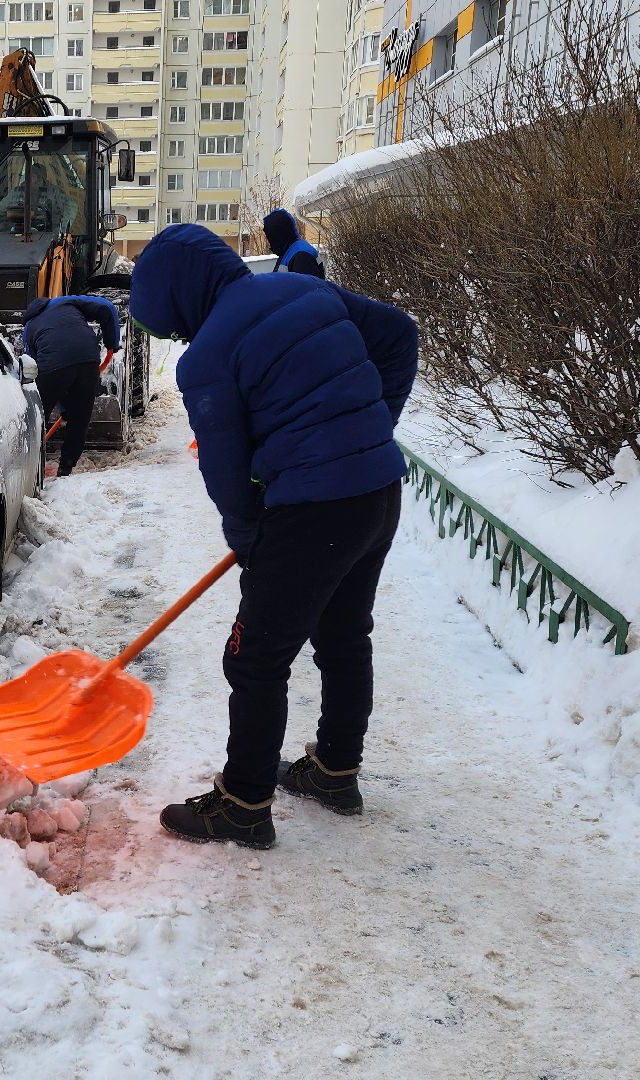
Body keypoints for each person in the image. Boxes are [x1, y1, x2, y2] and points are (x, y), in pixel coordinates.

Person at [129, 224, 418, 850]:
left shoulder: (206, 359)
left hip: (312, 509)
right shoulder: (303, 291)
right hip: (378, 491)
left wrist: (252, 536)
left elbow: (228, 474)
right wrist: (368, 427)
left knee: (254, 656)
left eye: (175, 325)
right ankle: (336, 773)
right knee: (344, 635)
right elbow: (400, 333)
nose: (182, 337)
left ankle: (242, 804)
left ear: (182, 299)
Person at [21, 294, 121, 478]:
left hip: (53, 365)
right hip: (88, 358)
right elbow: (107, 307)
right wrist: (112, 342)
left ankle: (31, 469)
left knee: (37, 419)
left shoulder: (27, 330)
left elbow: (38, 372)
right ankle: (65, 468)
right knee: (79, 417)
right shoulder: (65, 301)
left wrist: (60, 405)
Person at [262, 208, 326, 278]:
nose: (269, 240)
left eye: (270, 235)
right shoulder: (291, 249)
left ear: (278, 234)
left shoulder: (301, 256)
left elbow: (307, 287)